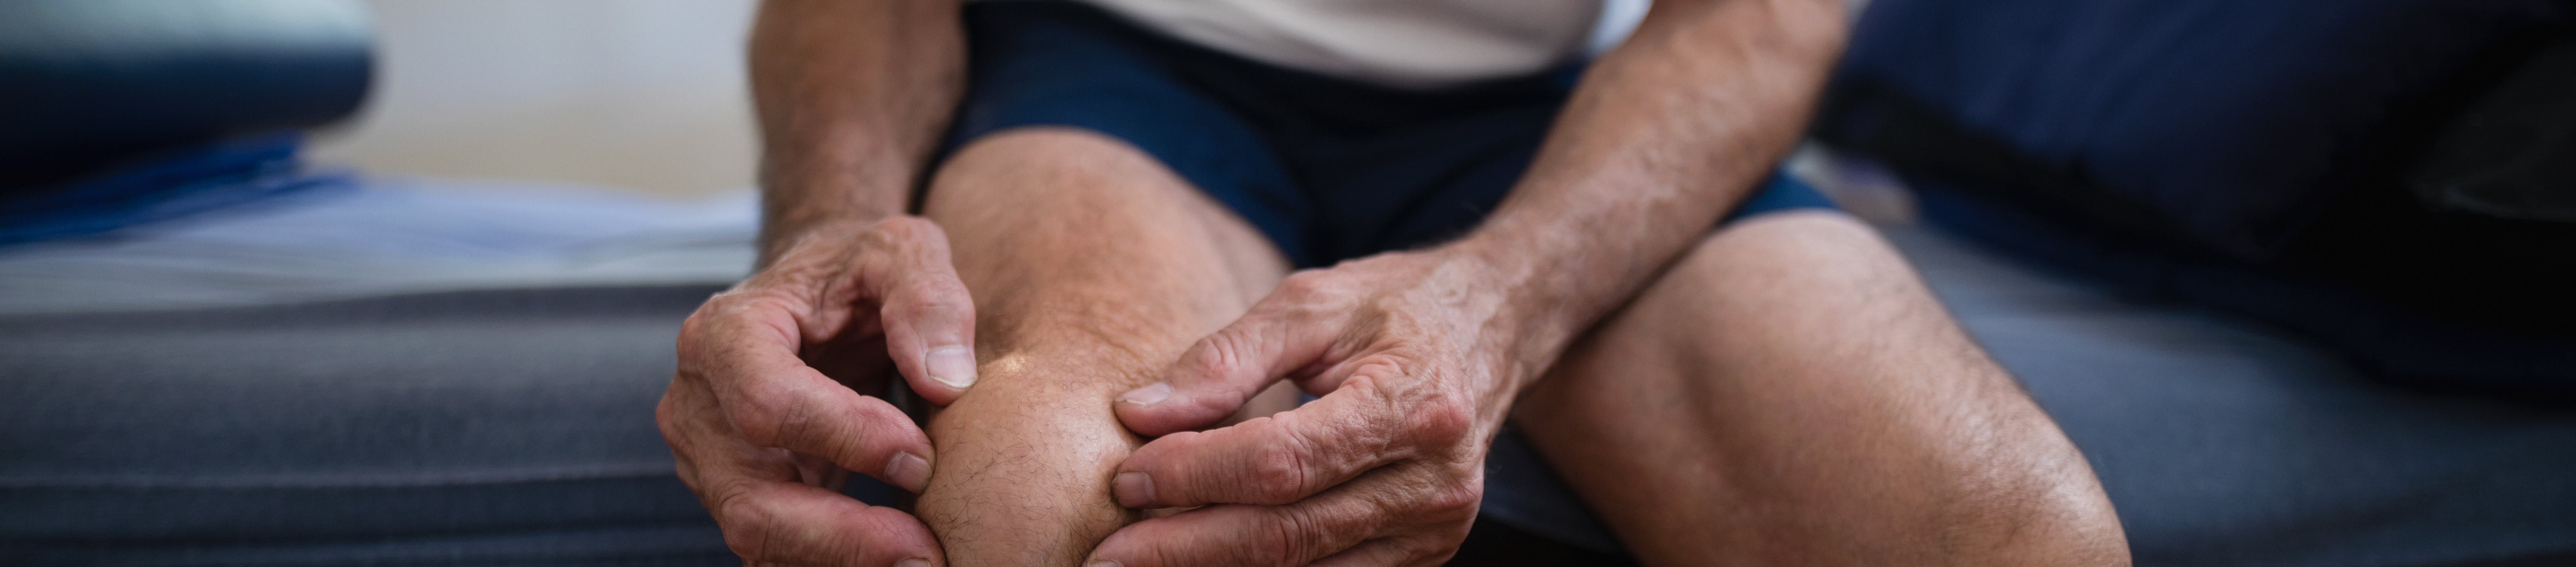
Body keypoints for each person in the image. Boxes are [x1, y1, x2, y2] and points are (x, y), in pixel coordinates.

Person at [653, 0, 2131, 565]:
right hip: (1110, 62)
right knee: (1042, 511)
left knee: (2013, 542)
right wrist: (834, 219)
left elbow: (1759, 17)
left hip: (1546, 113)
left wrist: (1500, 300)